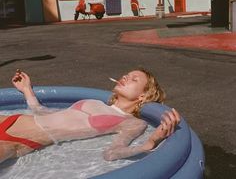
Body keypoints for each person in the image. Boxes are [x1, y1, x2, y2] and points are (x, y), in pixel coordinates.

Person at [0, 68, 180, 164]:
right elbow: (44, 113)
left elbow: (111, 153)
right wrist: (26, 90)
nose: (125, 77)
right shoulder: (98, 103)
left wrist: (149, 143)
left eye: (134, 79)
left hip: (16, 141)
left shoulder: (132, 123)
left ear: (143, 95)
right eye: (126, 75)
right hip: (12, 119)